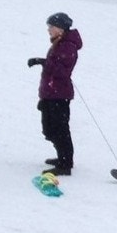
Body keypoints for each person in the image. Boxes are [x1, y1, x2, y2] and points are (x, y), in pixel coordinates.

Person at [28, 11, 82, 175]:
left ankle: (65, 164)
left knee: (59, 129)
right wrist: (43, 62)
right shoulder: (59, 43)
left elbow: (63, 71)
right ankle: (62, 157)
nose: (49, 29)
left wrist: (44, 62)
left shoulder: (68, 46)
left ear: (60, 28)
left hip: (60, 95)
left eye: (51, 26)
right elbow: (55, 66)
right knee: (49, 129)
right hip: (51, 94)